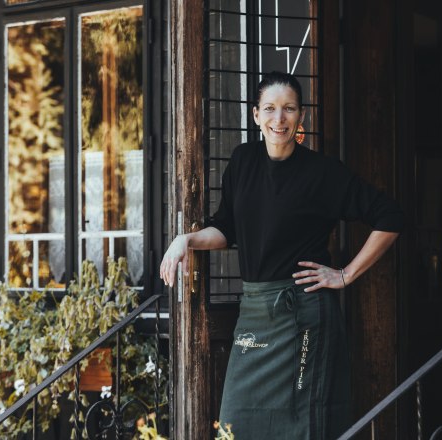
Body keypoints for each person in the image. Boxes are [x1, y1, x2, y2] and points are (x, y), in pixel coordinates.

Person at [159, 71, 403, 439]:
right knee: (234, 422)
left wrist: (345, 274)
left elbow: (390, 216)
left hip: (303, 315)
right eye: (270, 109)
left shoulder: (322, 172)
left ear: (301, 115)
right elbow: (226, 229)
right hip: (255, 312)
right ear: (255, 115)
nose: (279, 119)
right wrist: (185, 241)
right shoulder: (243, 162)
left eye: (288, 109)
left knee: (304, 423)